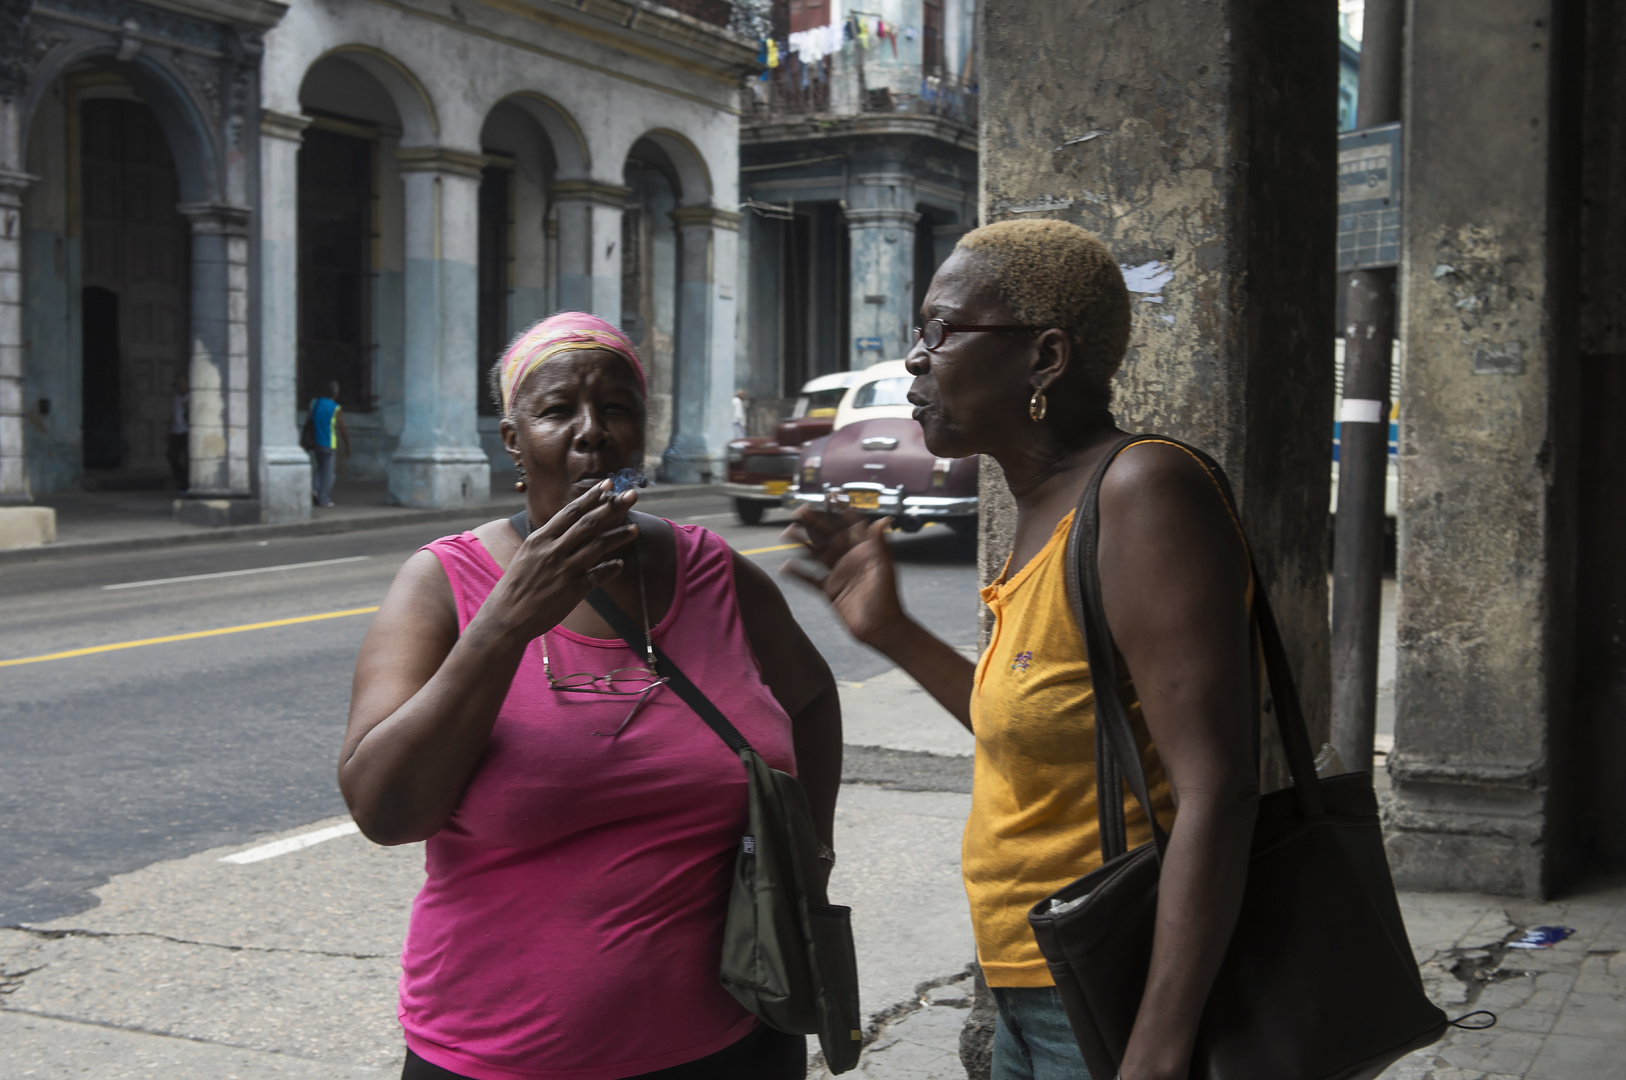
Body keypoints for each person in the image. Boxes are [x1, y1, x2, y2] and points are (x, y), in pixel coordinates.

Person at [784, 220, 1260, 1080]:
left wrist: (1153, 1053)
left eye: (941, 330)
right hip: (1029, 983)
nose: (914, 361)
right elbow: (1044, 724)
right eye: (914, 335)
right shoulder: (1043, 505)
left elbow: (1217, 789)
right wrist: (889, 630)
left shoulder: (1144, 493)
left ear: (1044, 358)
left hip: (1114, 996)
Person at [340, 312, 841, 1080]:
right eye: (556, 411)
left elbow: (809, 700)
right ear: (513, 440)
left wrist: (811, 853)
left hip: (738, 1037)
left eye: (615, 409)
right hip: (506, 1054)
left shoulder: (712, 572)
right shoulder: (442, 584)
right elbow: (385, 810)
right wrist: (505, 624)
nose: (591, 433)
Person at [308, 381, 350, 508]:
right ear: (335, 393)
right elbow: (342, 428)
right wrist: (347, 444)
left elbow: (308, 420)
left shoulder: (314, 402)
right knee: (329, 473)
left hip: (315, 442)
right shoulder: (336, 407)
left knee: (320, 468)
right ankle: (324, 498)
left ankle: (315, 490)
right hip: (329, 443)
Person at [167, 373, 190, 488]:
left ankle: (186, 483)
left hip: (187, 431)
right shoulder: (177, 397)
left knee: (188, 459)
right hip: (177, 431)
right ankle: (181, 476)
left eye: (182, 383)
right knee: (171, 455)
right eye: (178, 384)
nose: (180, 386)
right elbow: (174, 414)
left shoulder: (192, 396)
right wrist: (169, 430)